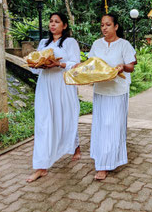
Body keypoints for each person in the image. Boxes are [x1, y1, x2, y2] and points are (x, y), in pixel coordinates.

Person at [26, 12, 81, 183]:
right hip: (45, 86)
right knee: (43, 123)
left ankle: (75, 146)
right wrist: (37, 63)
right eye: (51, 21)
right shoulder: (43, 43)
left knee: (66, 118)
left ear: (64, 25)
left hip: (63, 86)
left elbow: (76, 65)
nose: (52, 24)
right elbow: (35, 68)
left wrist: (58, 64)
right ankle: (41, 167)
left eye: (57, 22)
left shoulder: (70, 43)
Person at [87, 14, 136, 180]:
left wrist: (123, 66)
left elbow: (131, 66)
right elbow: (90, 64)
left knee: (112, 126)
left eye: (108, 25)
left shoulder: (124, 44)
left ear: (116, 26)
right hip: (100, 90)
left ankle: (107, 164)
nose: (104, 28)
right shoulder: (96, 44)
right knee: (101, 126)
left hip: (117, 92)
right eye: (102, 25)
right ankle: (101, 158)